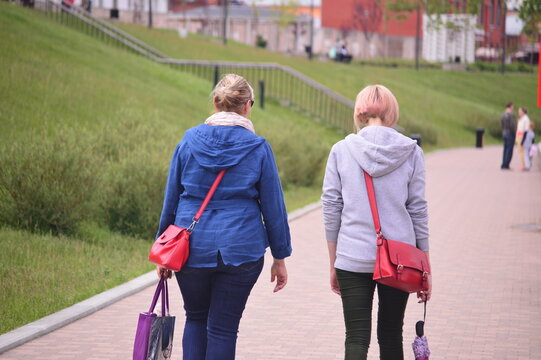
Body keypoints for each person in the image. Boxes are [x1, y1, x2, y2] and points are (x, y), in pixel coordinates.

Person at [155, 74, 292, 360]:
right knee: (223, 329)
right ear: (246, 106)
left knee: (195, 318)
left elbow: (171, 198)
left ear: (216, 103)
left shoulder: (189, 141)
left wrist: (162, 251)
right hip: (242, 249)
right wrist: (279, 257)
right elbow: (273, 208)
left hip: (190, 246)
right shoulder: (258, 148)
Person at [322, 85, 431, 360]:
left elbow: (331, 207)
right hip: (399, 260)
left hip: (352, 255)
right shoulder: (411, 152)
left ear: (359, 113)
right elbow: (418, 210)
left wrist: (334, 260)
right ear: (391, 112)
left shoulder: (341, 150)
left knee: (356, 337)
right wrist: (425, 266)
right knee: (392, 335)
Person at [501, 102, 516, 170]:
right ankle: (506, 164)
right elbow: (512, 125)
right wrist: (514, 132)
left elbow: (502, 123)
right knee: (509, 149)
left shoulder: (503, 114)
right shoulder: (511, 114)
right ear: (510, 106)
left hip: (504, 132)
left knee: (505, 149)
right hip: (510, 133)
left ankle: (503, 163)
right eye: (513, 106)